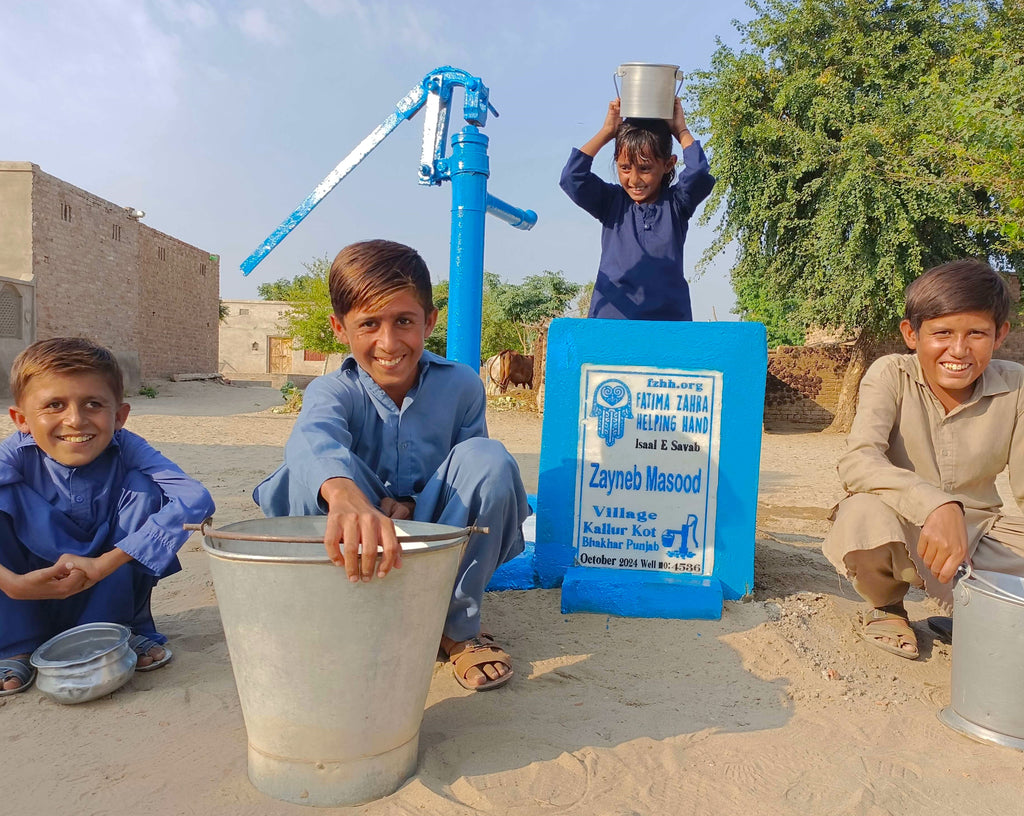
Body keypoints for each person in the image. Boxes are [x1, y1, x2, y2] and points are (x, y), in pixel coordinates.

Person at [254, 240, 530, 691]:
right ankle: (337, 606)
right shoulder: (331, 391)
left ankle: (455, 628)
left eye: (404, 321)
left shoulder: (462, 385)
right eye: (368, 324)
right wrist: (345, 496)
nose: (388, 343)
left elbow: (472, 476)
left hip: (426, 533)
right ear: (339, 328)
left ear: (430, 321)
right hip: (349, 532)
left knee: (491, 460)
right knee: (300, 475)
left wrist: (411, 501)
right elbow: (314, 440)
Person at [823, 259, 1024, 659]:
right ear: (911, 334)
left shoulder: (1016, 386)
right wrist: (936, 503)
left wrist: (961, 516)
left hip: (975, 538)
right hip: (901, 530)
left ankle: (977, 612)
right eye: (942, 333)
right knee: (861, 513)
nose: (959, 350)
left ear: (1000, 335)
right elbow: (859, 461)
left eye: (977, 334)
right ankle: (888, 608)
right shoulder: (890, 374)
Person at [0, 338, 215, 695]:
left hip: (105, 579)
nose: (75, 420)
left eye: (93, 404)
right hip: (26, 590)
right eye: (54, 405)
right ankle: (14, 644)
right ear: (21, 419)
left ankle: (116, 630)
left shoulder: (128, 447)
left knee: (145, 489)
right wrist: (9, 581)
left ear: (119, 416)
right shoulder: (13, 455)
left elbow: (195, 498)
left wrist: (105, 563)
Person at [559, 97, 715, 321]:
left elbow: (699, 171)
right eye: (624, 167)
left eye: (645, 168)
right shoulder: (611, 202)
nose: (634, 179)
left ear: (668, 164)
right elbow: (572, 177)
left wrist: (680, 129)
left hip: (668, 325)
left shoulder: (677, 203)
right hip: (612, 321)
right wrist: (607, 131)